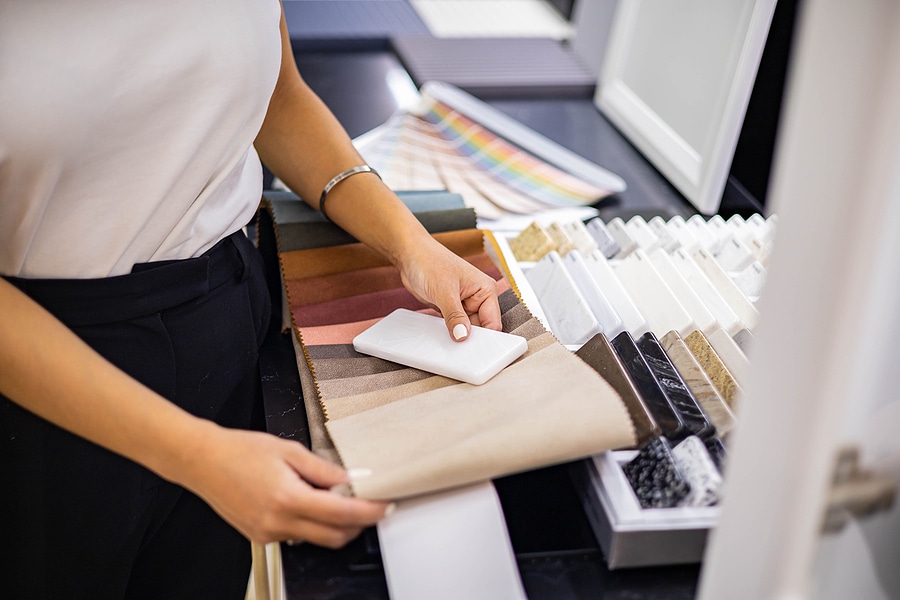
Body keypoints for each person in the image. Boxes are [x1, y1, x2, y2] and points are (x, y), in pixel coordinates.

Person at [0, 1, 502, 598]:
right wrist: (198, 455)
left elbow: (280, 99)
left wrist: (408, 243)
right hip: (39, 374)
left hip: (225, 319)